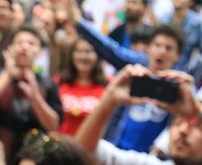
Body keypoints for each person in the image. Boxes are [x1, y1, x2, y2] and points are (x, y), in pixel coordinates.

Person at [75, 25, 184, 154]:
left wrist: (163, 145)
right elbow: (111, 50)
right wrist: (78, 22)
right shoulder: (132, 73)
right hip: (115, 151)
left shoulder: (180, 87)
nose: (162, 51)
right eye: (157, 45)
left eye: (169, 48)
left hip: (151, 161)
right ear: (148, 48)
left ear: (178, 55)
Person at [0, 25, 63, 165]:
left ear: (38, 52)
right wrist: (8, 74)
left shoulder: (46, 84)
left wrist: (35, 96)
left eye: (31, 43)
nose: (25, 47)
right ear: (11, 48)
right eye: (19, 43)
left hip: (32, 159)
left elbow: (53, 125)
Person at [56, 38, 108, 137]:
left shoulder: (108, 85)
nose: (83, 56)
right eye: (78, 51)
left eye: (89, 51)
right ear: (71, 55)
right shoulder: (58, 81)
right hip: (62, 146)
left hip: (93, 147)